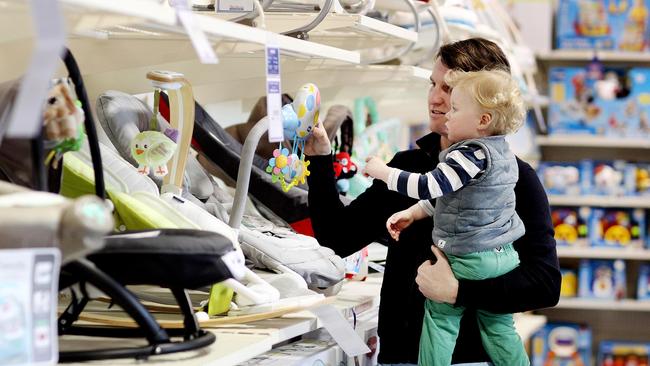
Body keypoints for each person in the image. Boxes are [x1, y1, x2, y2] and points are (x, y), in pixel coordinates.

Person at [304, 38, 560, 365]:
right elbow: (336, 238)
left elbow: (544, 285)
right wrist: (320, 160)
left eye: (449, 89)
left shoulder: (514, 178)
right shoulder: (408, 166)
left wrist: (458, 292)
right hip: (398, 357)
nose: (436, 99)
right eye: (432, 84)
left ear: (486, 107)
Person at [364, 69, 528, 366]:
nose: (448, 115)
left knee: (440, 319)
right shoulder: (501, 153)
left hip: (470, 258)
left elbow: (429, 185)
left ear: (483, 121)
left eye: (455, 108)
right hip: (502, 256)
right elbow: (452, 198)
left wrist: (382, 172)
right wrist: (413, 213)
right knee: (500, 329)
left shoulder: (468, 154)